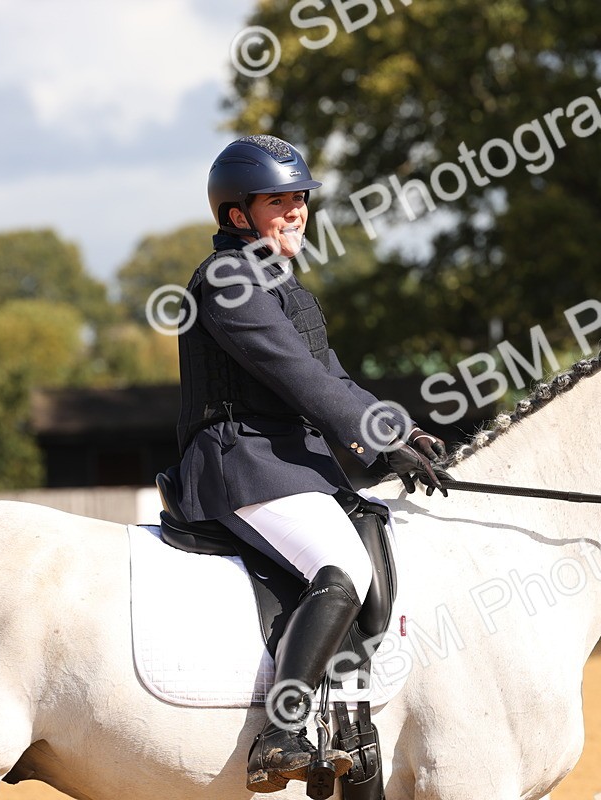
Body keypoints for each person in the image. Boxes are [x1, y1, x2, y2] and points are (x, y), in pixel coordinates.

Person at [175, 134, 447, 793]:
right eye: (280, 201)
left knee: (376, 552)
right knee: (344, 565)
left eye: (300, 199)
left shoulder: (282, 283)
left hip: (293, 464)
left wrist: (398, 426)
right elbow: (298, 379)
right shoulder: (229, 281)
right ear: (236, 215)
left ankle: (351, 731)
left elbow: (335, 376)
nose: (297, 210)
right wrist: (377, 444)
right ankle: (283, 731)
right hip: (241, 463)